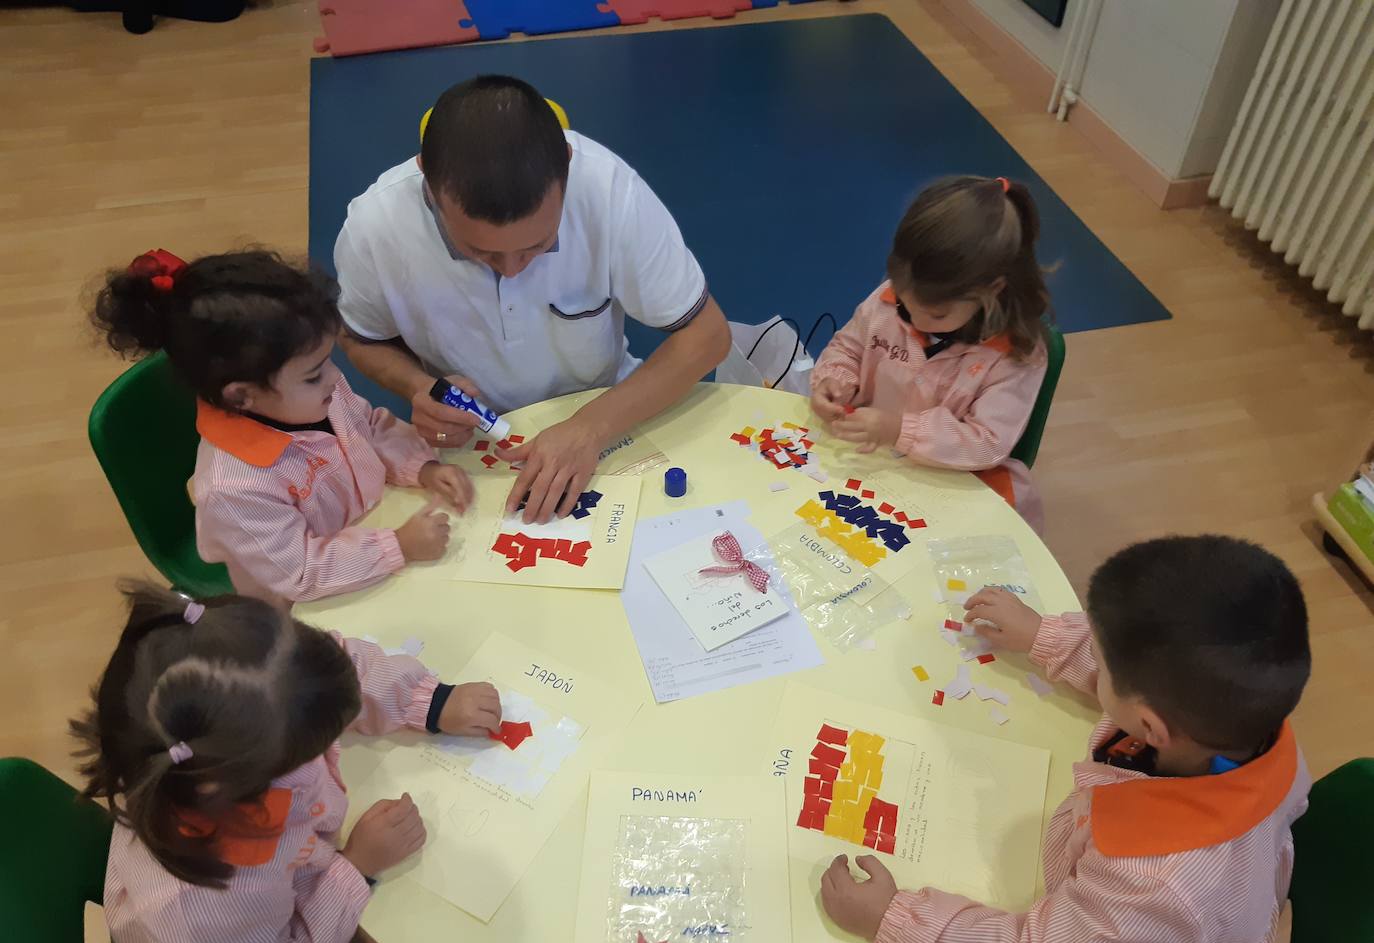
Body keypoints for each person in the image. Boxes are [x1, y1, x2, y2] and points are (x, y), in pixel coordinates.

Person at [819, 535, 1311, 943]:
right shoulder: (1247, 727)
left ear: (1151, 728)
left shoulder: (1156, 889)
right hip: (1139, 941)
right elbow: (1136, 675)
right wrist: (1042, 635)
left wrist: (893, 920)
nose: (1094, 660)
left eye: (1100, 658)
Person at [71, 581, 501, 943]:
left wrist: (430, 702)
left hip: (262, 913)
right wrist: (355, 869)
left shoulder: (247, 704)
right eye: (310, 748)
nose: (326, 745)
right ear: (245, 790)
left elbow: (335, 665)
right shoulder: (206, 903)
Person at [333, 74, 731, 525]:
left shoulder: (611, 192)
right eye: (480, 251)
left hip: (612, 407)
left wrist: (590, 427)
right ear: (427, 177)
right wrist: (417, 387)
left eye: (537, 245)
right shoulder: (374, 228)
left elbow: (707, 335)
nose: (511, 269)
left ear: (567, 160)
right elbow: (359, 339)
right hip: (474, 441)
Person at [94, 248, 471, 607]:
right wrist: (398, 547)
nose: (335, 377)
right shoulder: (234, 490)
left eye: (327, 361)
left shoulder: (313, 393)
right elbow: (301, 573)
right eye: (313, 374)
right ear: (242, 396)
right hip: (311, 605)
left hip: (371, 533)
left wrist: (422, 467)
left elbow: (368, 426)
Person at [810, 176, 1050, 532]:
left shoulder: (1014, 355)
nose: (915, 319)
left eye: (936, 315)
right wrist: (836, 379)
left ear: (992, 290)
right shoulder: (888, 299)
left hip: (954, 483)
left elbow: (987, 444)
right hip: (872, 465)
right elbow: (849, 346)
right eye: (905, 304)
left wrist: (898, 429)